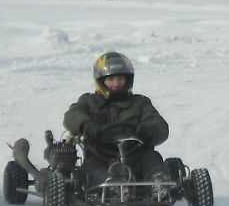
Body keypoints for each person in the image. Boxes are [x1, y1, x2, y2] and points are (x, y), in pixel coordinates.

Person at [63, 51, 171, 187]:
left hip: (135, 155)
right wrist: (86, 125)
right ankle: (111, 185)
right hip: (100, 155)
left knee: (152, 157)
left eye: (120, 79)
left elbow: (159, 125)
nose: (116, 84)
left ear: (128, 79)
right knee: (92, 166)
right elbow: (71, 115)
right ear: (101, 81)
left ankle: (158, 182)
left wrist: (149, 129)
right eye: (110, 79)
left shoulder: (140, 103)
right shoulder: (89, 101)